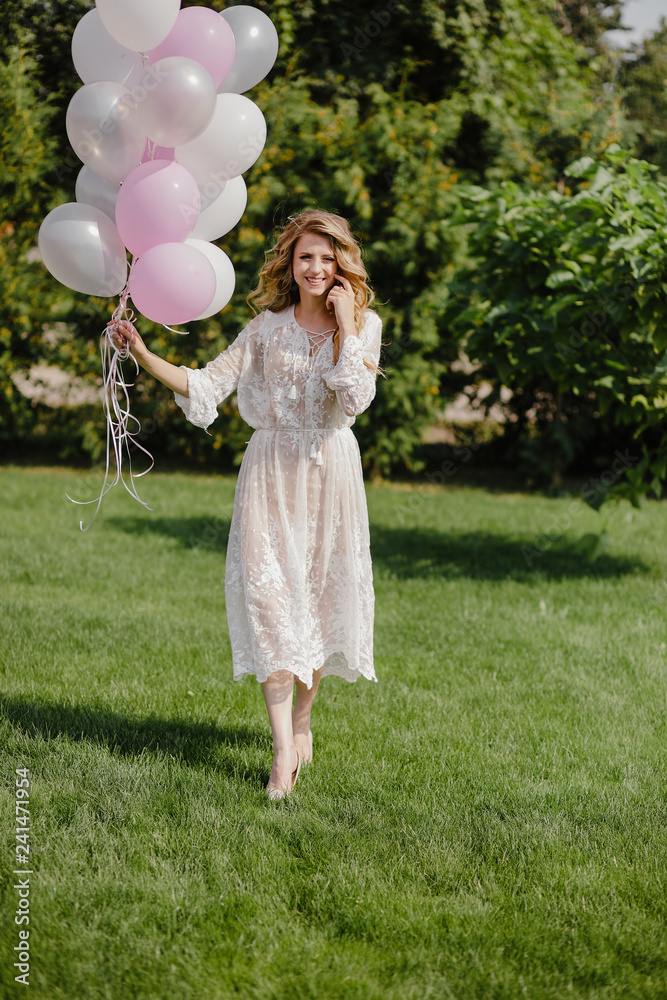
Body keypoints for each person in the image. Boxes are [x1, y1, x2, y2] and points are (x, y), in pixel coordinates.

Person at [111, 210, 383, 799]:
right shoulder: (265, 328)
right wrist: (141, 352)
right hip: (269, 474)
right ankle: (283, 753)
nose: (315, 267)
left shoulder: (363, 324)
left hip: (331, 473)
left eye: (327, 257)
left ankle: (304, 720)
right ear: (290, 260)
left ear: (342, 265)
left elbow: (355, 399)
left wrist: (345, 324)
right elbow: (206, 383)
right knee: (271, 603)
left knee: (319, 597)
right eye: (305, 255)